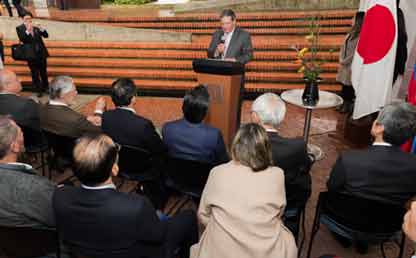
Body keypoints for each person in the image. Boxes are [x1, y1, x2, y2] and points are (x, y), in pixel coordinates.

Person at [53, 134, 198, 258]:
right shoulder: (136, 206)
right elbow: (158, 236)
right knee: (189, 217)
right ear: (114, 170)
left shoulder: (59, 196)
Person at [190, 123, 297, 258]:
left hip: (219, 250)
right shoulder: (277, 174)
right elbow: (279, 212)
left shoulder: (217, 172)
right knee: (288, 242)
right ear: (265, 149)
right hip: (265, 250)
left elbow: (203, 214)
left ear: (235, 146)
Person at [327, 102, 416, 206]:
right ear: (410, 136)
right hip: (390, 221)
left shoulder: (349, 159)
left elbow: (332, 187)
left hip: (343, 218)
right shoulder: (413, 165)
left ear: (379, 127)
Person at [100, 78, 167, 209]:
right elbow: (160, 149)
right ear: (133, 98)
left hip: (117, 165)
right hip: (144, 169)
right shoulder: (143, 124)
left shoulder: (106, 117)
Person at [251, 93, 312, 209]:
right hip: (287, 202)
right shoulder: (298, 146)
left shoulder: (245, 145)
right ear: (282, 117)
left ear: (255, 116)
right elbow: (306, 168)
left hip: (254, 203)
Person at [0, 115, 55, 228]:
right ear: (15, 146)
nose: (23, 135)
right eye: (21, 132)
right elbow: (59, 220)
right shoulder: (37, 187)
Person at [162, 85, 229, 165]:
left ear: (183, 108)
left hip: (173, 176)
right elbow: (223, 163)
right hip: (204, 177)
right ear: (205, 113)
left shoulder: (168, 129)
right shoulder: (214, 135)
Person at [335, 11, 365, 113]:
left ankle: (347, 106)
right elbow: (343, 47)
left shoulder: (361, 36)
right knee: (344, 86)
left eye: (353, 18)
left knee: (349, 87)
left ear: (358, 21)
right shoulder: (350, 33)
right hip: (344, 63)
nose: (351, 20)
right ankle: (343, 104)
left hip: (351, 65)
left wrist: (345, 60)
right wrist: (341, 58)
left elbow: (355, 52)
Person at [16, 13, 49, 96]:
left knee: (43, 72)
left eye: (30, 18)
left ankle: (46, 87)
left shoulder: (35, 27)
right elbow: (22, 39)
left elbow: (46, 35)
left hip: (41, 53)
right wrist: (28, 30)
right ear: (23, 19)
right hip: (30, 54)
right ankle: (38, 90)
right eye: (26, 18)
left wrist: (41, 28)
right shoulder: (20, 28)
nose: (28, 20)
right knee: (34, 73)